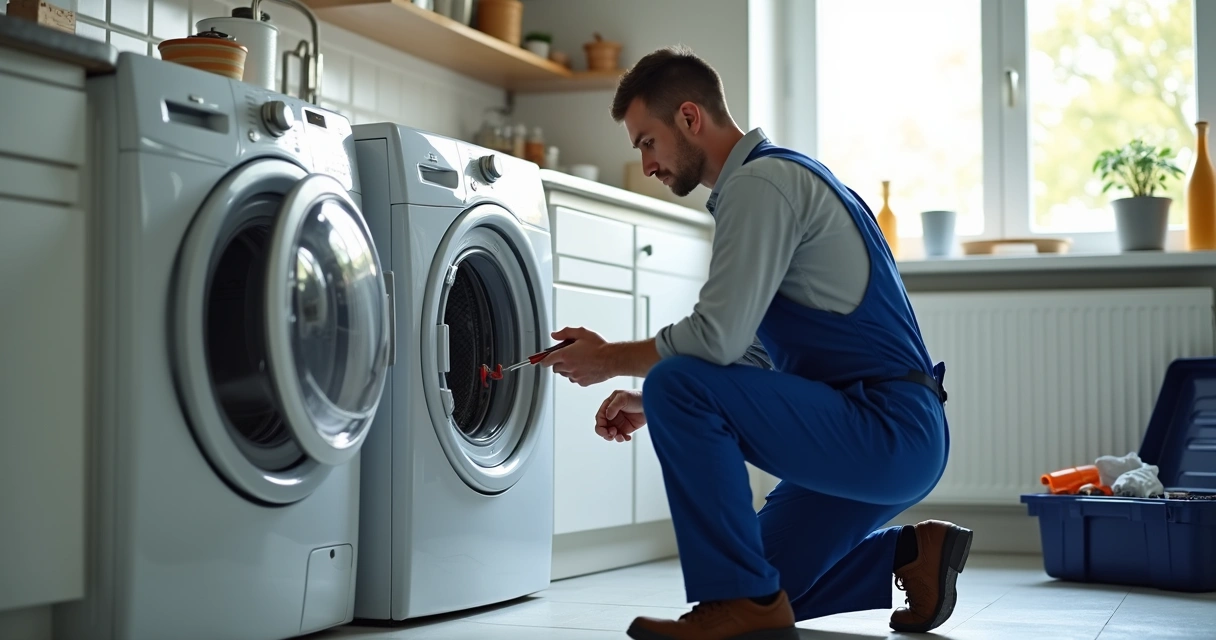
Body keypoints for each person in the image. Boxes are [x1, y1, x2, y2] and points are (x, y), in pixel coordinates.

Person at [539, 45, 972, 640]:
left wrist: (613, 362)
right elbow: (757, 357)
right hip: (887, 433)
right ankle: (911, 557)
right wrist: (652, 404)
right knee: (766, 581)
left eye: (647, 142)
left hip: (885, 430)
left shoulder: (762, 185)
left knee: (680, 391)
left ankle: (744, 602)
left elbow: (713, 340)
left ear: (690, 118)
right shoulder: (778, 180)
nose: (646, 165)